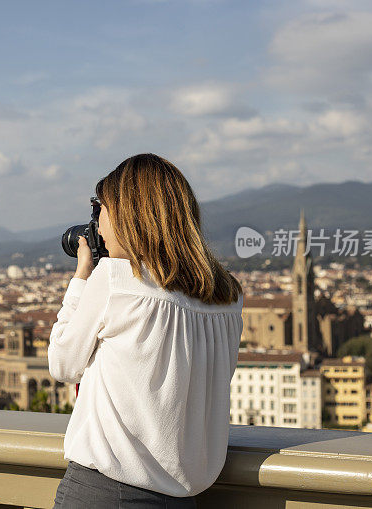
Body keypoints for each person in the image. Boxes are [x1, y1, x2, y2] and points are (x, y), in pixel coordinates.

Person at [48, 153, 244, 508]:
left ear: (127, 216)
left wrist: (81, 277)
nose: (99, 226)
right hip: (185, 498)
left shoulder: (114, 279)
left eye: (101, 210)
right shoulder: (228, 296)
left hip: (106, 492)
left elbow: (62, 363)